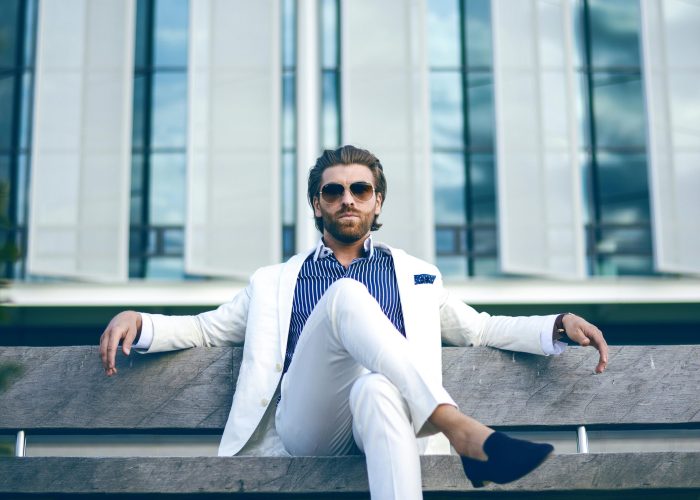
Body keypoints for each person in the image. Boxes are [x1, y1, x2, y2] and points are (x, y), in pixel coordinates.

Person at [100, 145, 608, 499]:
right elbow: (207, 330)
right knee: (344, 296)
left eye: (360, 189)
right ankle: (459, 429)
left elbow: (477, 330)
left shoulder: (416, 276)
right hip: (309, 425)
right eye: (334, 191)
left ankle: (457, 433)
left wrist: (556, 324)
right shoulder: (276, 281)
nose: (348, 199)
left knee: (377, 390)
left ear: (377, 201)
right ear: (317, 205)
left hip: (388, 419)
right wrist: (138, 320)